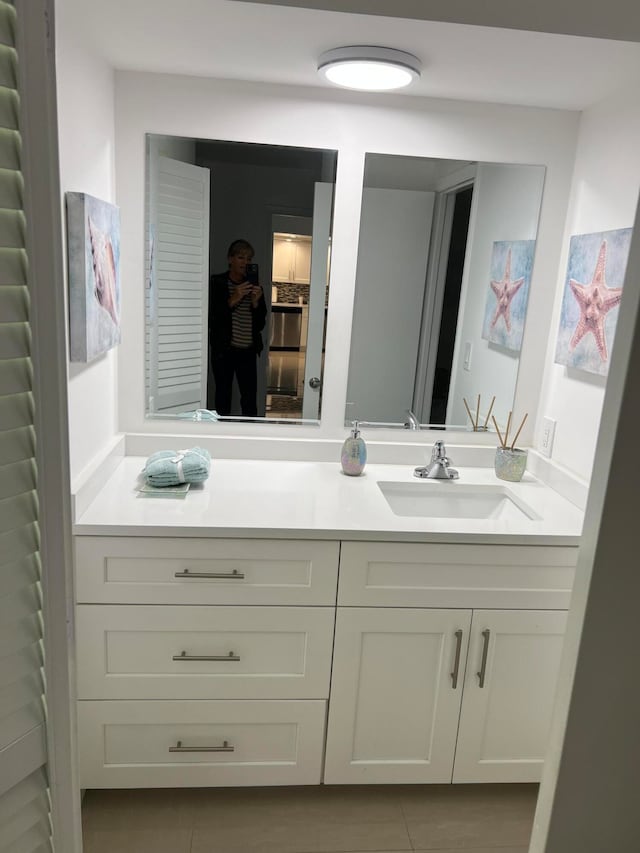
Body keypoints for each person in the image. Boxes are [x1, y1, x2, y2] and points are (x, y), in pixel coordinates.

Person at [209, 239, 267, 416]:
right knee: (223, 395)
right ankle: (222, 436)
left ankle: (251, 436)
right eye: (241, 257)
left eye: (249, 259)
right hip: (223, 351)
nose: (246, 262)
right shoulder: (217, 283)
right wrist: (234, 297)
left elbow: (260, 324)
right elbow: (212, 318)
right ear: (230, 259)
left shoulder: (255, 288)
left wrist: (256, 303)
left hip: (247, 351)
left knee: (249, 398)